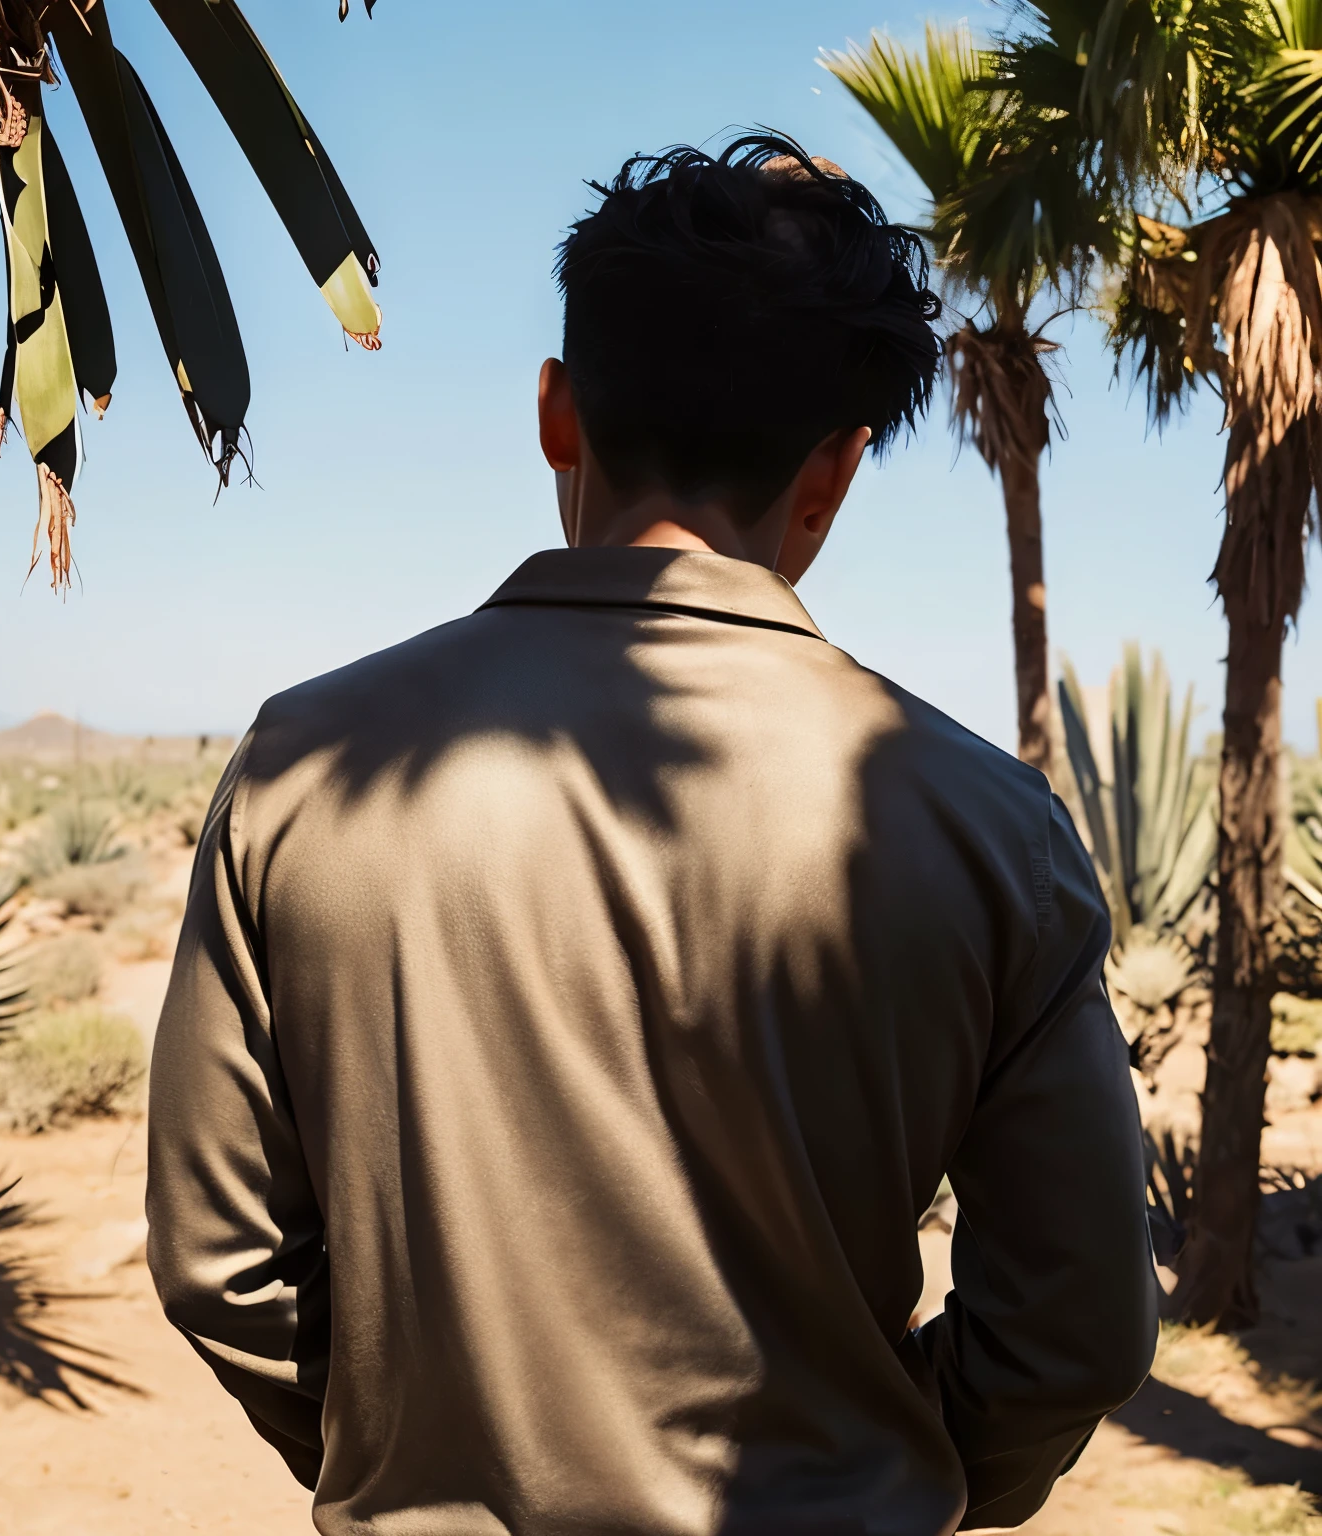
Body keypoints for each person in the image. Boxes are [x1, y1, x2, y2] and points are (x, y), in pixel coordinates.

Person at [145, 135, 1158, 1536]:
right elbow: (1076, 1329)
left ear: (558, 413)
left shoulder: (305, 766)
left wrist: (418, 1453)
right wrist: (871, 1471)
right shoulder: (989, 830)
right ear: (838, 470)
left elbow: (221, 1261)